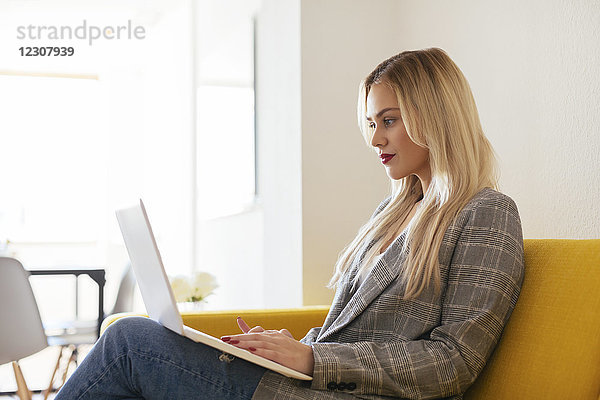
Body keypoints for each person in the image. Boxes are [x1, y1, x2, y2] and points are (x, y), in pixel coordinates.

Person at [55, 47, 524, 400]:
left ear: (435, 117)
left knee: (128, 342)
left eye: (389, 120)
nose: (375, 138)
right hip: (317, 385)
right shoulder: (396, 210)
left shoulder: (486, 213)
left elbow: (454, 362)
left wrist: (315, 357)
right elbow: (352, 329)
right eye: (370, 123)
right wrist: (295, 345)